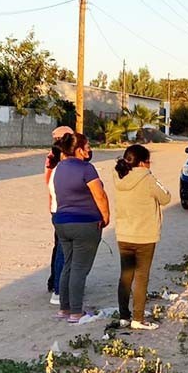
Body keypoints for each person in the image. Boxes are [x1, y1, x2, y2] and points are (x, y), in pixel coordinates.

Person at [49, 132, 110, 323]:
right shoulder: (87, 169)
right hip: (84, 223)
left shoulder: (58, 168)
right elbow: (99, 195)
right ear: (78, 150)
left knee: (68, 264)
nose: (90, 150)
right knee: (79, 268)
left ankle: (64, 308)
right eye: (87, 146)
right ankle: (76, 312)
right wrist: (105, 217)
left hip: (62, 223)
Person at [113, 145, 171, 330]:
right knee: (141, 277)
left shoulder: (118, 176)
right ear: (142, 162)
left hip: (124, 234)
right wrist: (150, 174)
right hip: (145, 236)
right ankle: (138, 318)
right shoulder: (148, 179)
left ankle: (124, 316)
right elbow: (166, 198)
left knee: (125, 276)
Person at [45, 126, 73, 305]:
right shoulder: (56, 158)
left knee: (60, 248)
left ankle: (56, 282)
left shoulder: (56, 157)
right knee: (62, 249)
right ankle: (57, 286)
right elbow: (49, 181)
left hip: (57, 207)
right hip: (62, 208)